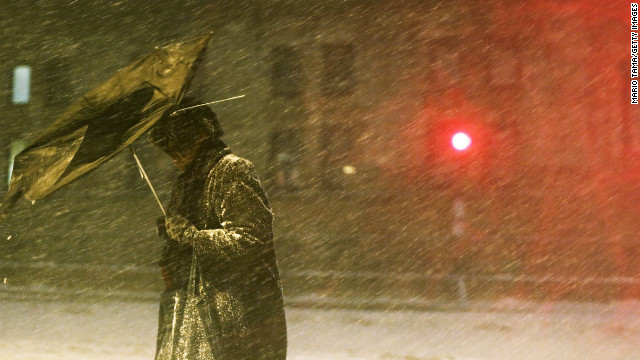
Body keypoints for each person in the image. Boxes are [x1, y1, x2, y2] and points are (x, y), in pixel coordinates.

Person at [148, 98, 287, 360]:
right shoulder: (186, 181)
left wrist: (191, 236)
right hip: (189, 310)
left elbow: (251, 239)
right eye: (170, 152)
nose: (175, 159)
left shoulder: (231, 171)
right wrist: (172, 235)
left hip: (229, 315)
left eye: (179, 149)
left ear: (201, 136)